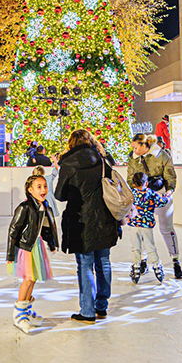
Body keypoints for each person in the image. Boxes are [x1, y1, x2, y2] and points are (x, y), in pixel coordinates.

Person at [54, 129, 118, 324]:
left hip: (80, 221)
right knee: (103, 262)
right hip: (105, 218)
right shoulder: (102, 159)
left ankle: (87, 311)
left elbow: (59, 195)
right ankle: (102, 306)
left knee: (85, 265)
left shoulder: (68, 163)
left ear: (71, 143)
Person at [125, 133, 182, 279]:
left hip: (161, 193)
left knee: (166, 227)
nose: (134, 150)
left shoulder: (161, 155)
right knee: (142, 228)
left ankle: (175, 260)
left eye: (136, 147)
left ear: (145, 145)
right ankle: (143, 260)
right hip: (142, 196)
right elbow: (130, 177)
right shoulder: (133, 158)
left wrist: (169, 192)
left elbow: (170, 175)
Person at [7, 171, 58, 334]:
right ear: (30, 190)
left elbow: (46, 227)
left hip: (36, 246)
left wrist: (51, 243)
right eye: (39, 187)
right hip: (26, 248)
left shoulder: (43, 206)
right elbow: (13, 231)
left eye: (45, 186)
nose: (43, 189)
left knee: (33, 278)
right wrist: (10, 255)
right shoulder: (25, 207)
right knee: (28, 279)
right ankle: (19, 315)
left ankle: (26, 311)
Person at [126, 171, 172, 283]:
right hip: (146, 225)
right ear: (146, 183)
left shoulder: (131, 194)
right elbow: (161, 202)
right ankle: (157, 268)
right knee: (150, 247)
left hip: (134, 224)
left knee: (135, 248)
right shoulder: (151, 193)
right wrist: (166, 196)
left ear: (133, 184)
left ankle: (136, 268)